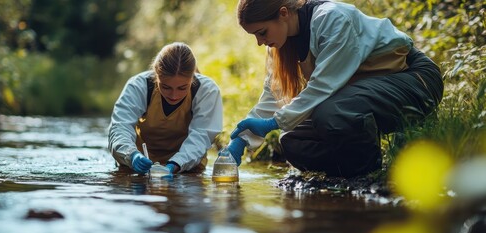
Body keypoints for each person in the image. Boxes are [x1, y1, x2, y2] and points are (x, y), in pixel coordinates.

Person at [226, 0, 443, 177]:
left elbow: (322, 87)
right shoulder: (282, 43)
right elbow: (273, 94)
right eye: (254, 35)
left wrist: (273, 122)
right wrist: (241, 139)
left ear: (283, 13)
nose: (259, 42)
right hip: (363, 94)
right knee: (292, 140)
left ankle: (368, 171)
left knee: (330, 112)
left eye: (261, 32)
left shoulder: (333, 19)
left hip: (414, 79)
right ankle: (350, 172)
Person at [108, 42, 223, 174]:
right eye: (166, 87)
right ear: (156, 75)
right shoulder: (138, 86)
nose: (174, 95)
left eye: (182, 88)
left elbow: (201, 136)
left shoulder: (207, 91)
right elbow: (120, 127)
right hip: (138, 165)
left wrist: (175, 164)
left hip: (188, 166)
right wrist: (131, 155)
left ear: (192, 78)